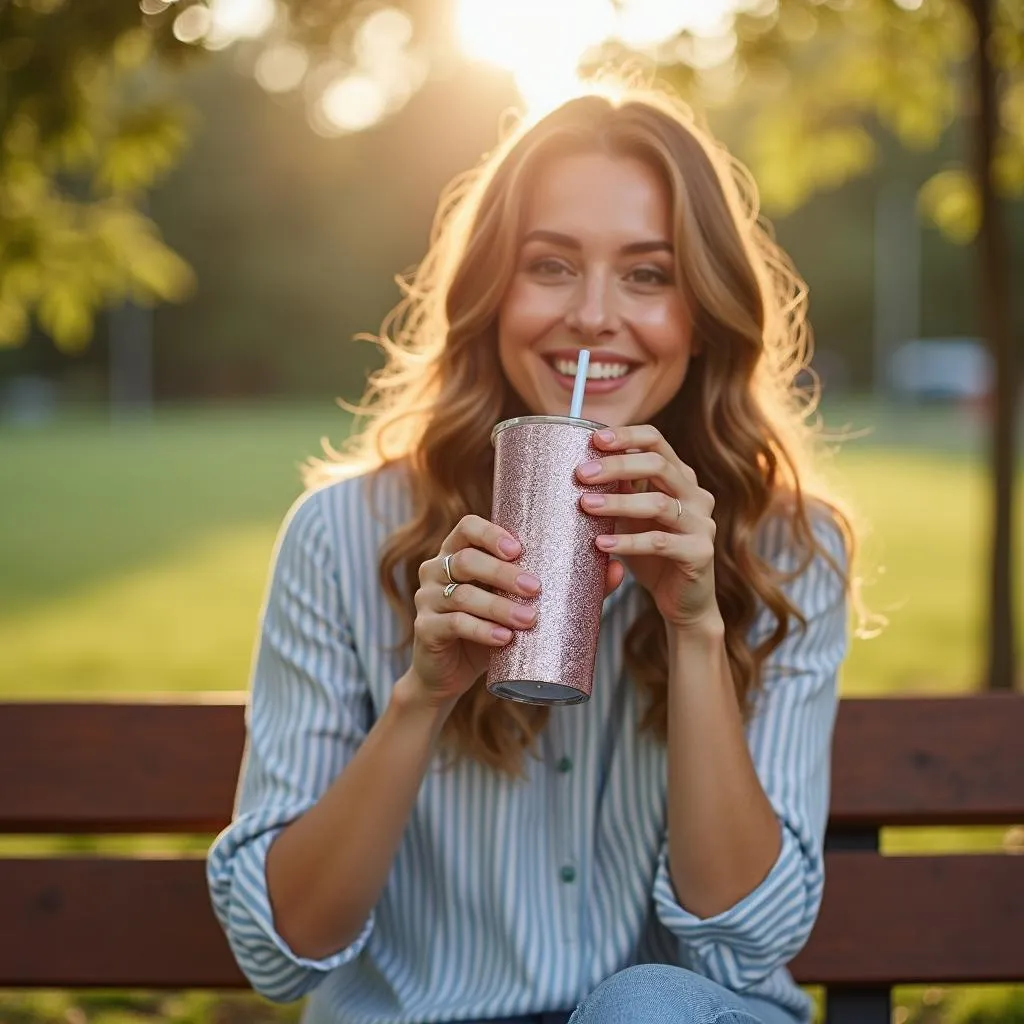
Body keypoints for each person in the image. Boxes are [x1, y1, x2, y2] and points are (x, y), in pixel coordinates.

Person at [207, 85, 857, 1024]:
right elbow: (280, 954)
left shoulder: (788, 549)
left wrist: (696, 629)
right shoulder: (342, 538)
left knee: (644, 1009)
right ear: (493, 293)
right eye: (550, 265)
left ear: (703, 311)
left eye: (648, 274)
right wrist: (422, 696)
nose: (594, 316)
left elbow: (750, 939)